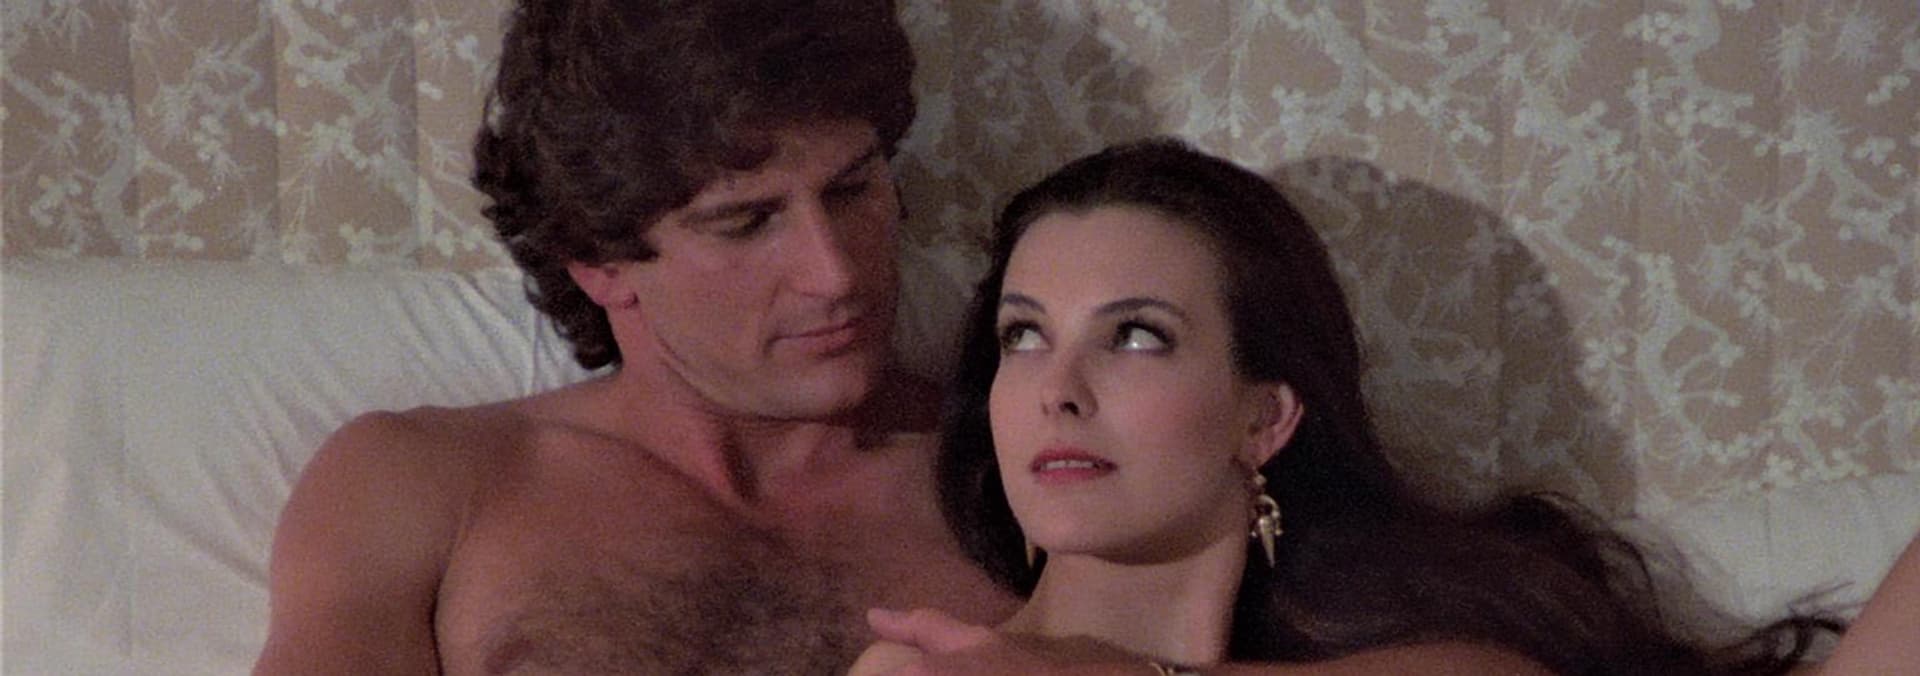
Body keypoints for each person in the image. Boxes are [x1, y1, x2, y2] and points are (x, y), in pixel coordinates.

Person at [851, 138, 1866, 675]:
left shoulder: (1430, 649)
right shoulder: (926, 671)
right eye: (1023, 336)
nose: (1057, 389)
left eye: (1137, 336)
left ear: (1266, 418)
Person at [253, 1, 1019, 673]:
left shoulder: (1019, 473)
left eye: (851, 189)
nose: (835, 274)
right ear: (599, 263)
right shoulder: (426, 487)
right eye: (746, 222)